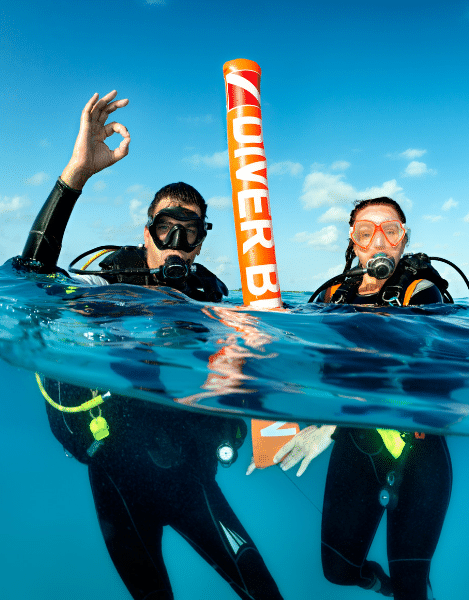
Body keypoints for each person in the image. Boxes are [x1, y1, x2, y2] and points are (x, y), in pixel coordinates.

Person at [14, 91, 283, 600]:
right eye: (166, 228)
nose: (176, 245)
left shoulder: (210, 297)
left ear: (201, 242)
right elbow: (29, 281)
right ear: (146, 233)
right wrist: (77, 173)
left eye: (189, 233)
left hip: (191, 479)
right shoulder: (111, 281)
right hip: (116, 479)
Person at [273, 197, 453, 600]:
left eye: (391, 230)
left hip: (418, 455)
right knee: (337, 571)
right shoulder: (331, 296)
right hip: (356, 450)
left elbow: (412, 369)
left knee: (412, 589)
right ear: (353, 242)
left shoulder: (421, 293)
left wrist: (328, 425)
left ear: (404, 241)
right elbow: (296, 354)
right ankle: (380, 585)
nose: (378, 241)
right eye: (365, 231)